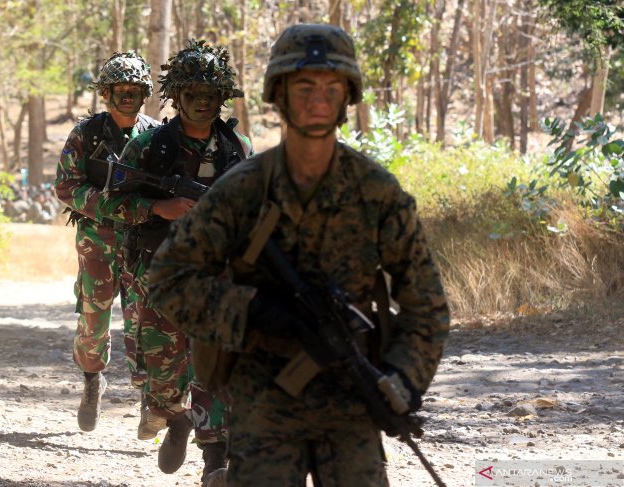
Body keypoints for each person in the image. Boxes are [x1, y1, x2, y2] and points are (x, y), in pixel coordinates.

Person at [147, 23, 450, 486]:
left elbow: (426, 306)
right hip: (261, 408)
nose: (317, 99)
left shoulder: (376, 192)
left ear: (348, 97)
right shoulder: (244, 189)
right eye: (303, 86)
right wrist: (253, 311)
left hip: (351, 406)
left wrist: (401, 381)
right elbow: (170, 280)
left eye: (332, 87)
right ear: (280, 94)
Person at [107, 39, 252, 483]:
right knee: (163, 375)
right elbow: (111, 203)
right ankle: (174, 418)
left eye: (212, 97)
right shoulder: (149, 147)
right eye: (194, 95)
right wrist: (158, 208)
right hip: (158, 274)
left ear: (222, 98)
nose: (204, 105)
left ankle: (216, 461)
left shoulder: (238, 148)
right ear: (177, 97)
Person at [54, 51, 158, 432]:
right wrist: (107, 205)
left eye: (133, 90)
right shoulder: (86, 133)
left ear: (144, 92)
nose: (126, 97)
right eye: (119, 90)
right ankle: (92, 381)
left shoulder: (157, 136)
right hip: (97, 241)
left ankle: (150, 399)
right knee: (93, 320)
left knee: (144, 322)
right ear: (106, 93)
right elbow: (65, 186)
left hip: (141, 243)